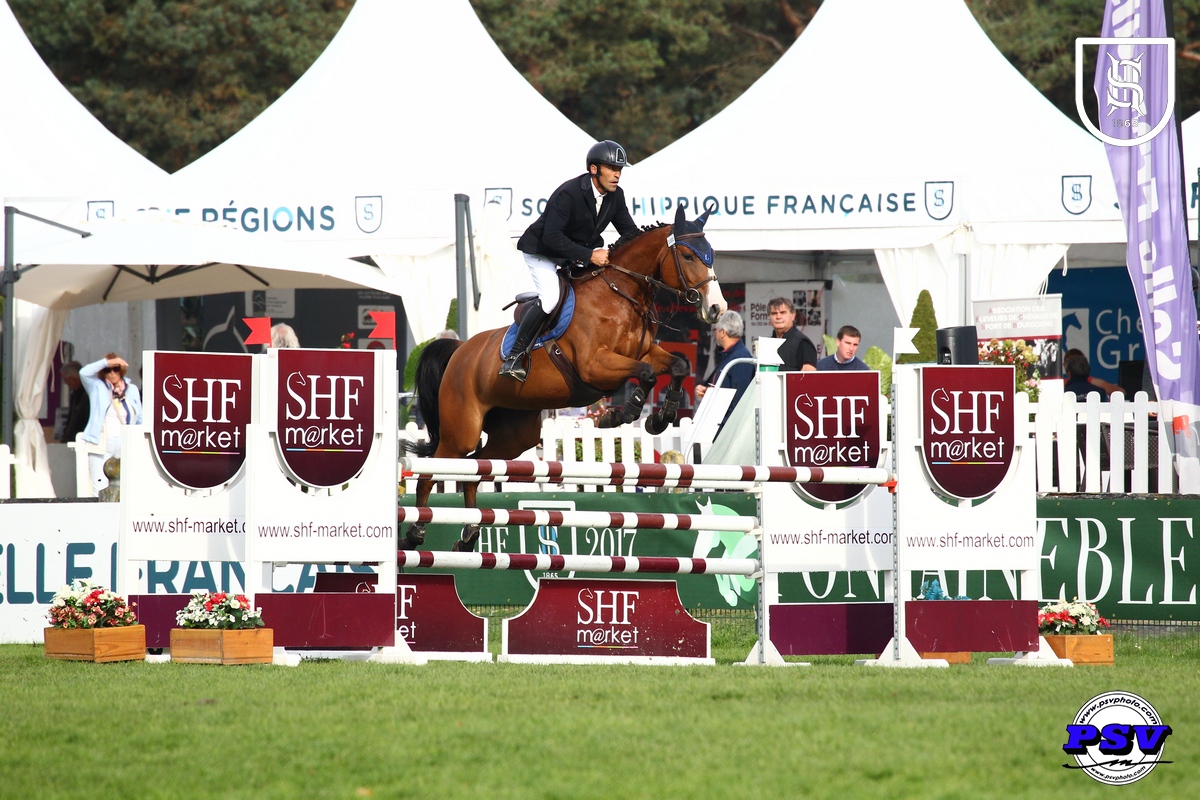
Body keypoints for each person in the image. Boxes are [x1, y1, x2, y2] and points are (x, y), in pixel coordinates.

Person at [505, 139, 640, 381]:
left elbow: (630, 233)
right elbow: (552, 237)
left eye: (619, 169)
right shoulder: (569, 193)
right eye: (612, 168)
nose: (617, 175)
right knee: (550, 298)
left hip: (572, 253)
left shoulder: (615, 196)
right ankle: (514, 356)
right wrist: (590, 255)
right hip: (543, 250)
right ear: (594, 169)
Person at [80, 353, 143, 491]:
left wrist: (140, 440)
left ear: (121, 370)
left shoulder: (131, 389)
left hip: (125, 440)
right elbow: (84, 373)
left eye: (116, 368)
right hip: (101, 441)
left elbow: (139, 417)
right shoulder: (96, 386)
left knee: (126, 483)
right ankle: (101, 506)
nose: (112, 373)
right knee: (100, 484)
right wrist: (106, 362)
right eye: (108, 370)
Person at [696, 310, 755, 430]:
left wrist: (721, 431)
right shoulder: (731, 355)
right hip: (719, 425)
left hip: (726, 429)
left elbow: (739, 403)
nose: (715, 333)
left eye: (716, 330)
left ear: (723, 332)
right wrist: (708, 391)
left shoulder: (740, 359)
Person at [767, 297, 817, 372]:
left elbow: (808, 377)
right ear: (769, 318)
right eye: (774, 313)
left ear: (793, 315)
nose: (778, 317)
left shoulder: (803, 343)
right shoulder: (768, 344)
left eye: (783, 312)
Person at [58, 361, 90, 443]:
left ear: (73, 379)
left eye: (66, 380)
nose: (66, 384)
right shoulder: (75, 394)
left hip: (82, 440)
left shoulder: (88, 394)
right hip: (72, 439)